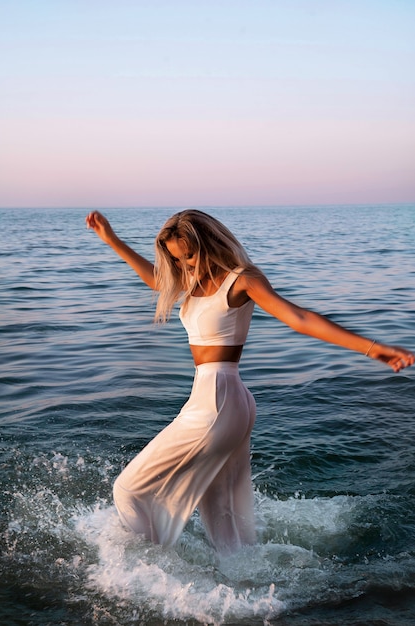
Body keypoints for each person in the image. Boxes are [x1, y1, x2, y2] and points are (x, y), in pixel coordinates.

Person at [85, 209, 414, 554]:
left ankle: (146, 571)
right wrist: (112, 240)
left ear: (208, 242)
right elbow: (156, 279)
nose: (186, 265)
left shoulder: (241, 279)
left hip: (217, 404)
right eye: (178, 259)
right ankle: (246, 583)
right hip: (225, 401)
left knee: (128, 490)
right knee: (224, 520)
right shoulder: (191, 281)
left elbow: (299, 317)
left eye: (190, 255)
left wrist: (373, 349)